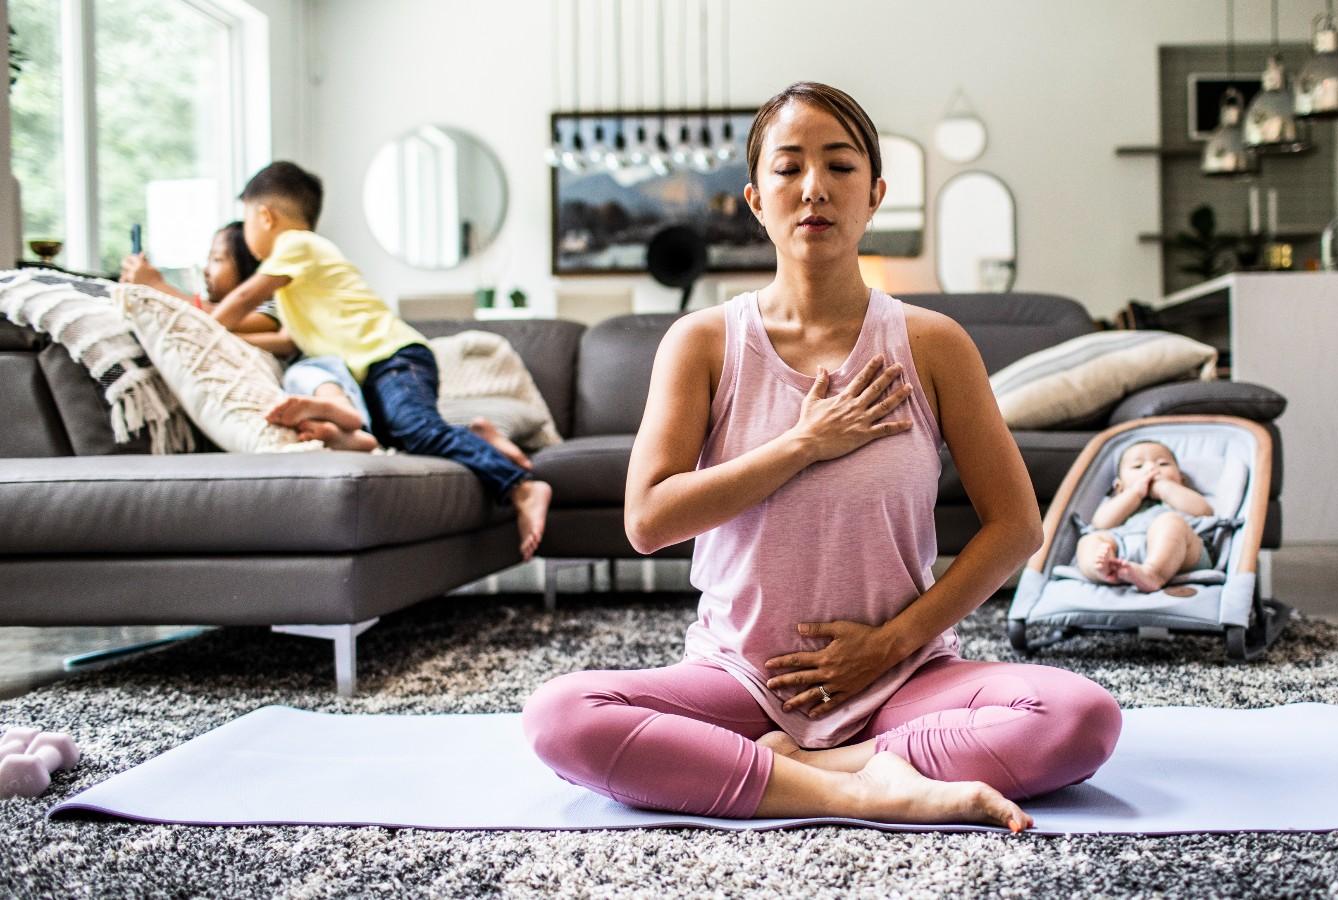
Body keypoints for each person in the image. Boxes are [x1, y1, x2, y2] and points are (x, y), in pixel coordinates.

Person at [522, 83, 1122, 832]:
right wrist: (803, 444)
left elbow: (1016, 528)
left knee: (1079, 717)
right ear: (754, 199)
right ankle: (862, 788)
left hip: (903, 676)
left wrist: (887, 646)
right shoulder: (701, 343)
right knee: (560, 716)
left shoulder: (933, 344)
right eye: (788, 168)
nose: (814, 188)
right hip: (743, 680)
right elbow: (647, 521)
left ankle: (800, 769)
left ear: (874, 195)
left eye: (840, 166)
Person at [207, 161, 552, 560]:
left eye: (247, 219)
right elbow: (287, 339)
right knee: (399, 439)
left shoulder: (296, 246)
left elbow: (244, 297)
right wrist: (231, 336)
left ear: (265, 216)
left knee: (416, 429)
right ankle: (482, 439)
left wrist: (207, 327)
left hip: (393, 357)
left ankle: (522, 487)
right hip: (376, 367)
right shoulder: (296, 278)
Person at [121, 223, 380, 451]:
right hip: (295, 387)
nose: (207, 270)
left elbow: (214, 321)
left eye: (217, 259)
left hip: (318, 364)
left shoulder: (274, 304)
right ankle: (343, 436)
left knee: (310, 376)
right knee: (299, 391)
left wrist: (158, 287)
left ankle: (344, 413)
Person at [1074, 441, 1216, 593]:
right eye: (1138, 466)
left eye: (1163, 464)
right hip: (1123, 549)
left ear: (1181, 480)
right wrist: (1134, 493)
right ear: (1119, 487)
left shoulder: (1179, 498)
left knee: (1170, 521)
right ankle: (1104, 571)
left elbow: (1204, 511)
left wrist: (1164, 488)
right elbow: (1100, 523)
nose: (1151, 469)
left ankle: (1154, 573)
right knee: (1090, 540)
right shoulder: (1120, 501)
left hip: (1181, 553)